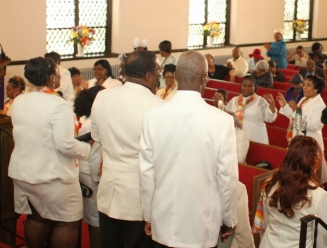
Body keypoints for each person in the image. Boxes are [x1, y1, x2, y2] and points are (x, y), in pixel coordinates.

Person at [140, 51, 238, 247]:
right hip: (202, 225)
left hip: (164, 221)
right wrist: (229, 219)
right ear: (205, 79)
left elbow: (146, 174)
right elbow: (227, 178)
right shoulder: (222, 121)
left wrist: (148, 215)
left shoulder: (152, 117)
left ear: (175, 77)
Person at [8, 57, 91, 247]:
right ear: (52, 78)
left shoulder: (19, 100)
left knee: (37, 217)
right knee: (67, 221)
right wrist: (87, 148)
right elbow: (65, 145)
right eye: (57, 71)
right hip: (51, 175)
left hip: (24, 171)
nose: (60, 74)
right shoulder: (58, 105)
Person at [91, 51, 163, 247]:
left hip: (109, 191)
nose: (160, 77)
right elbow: (161, 155)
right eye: (158, 71)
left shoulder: (102, 96)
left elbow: (96, 137)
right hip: (139, 197)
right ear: (148, 75)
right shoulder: (158, 107)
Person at [253, 136, 327, 248]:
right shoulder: (319, 195)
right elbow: (321, 240)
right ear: (313, 164)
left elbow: (265, 223)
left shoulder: (269, 183)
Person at [276, 75, 327, 183]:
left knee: (309, 175)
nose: (304, 87)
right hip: (299, 138)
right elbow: (295, 119)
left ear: (316, 89)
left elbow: (313, 125)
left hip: (310, 142)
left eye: (308, 85)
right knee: (296, 172)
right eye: (304, 84)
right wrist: (284, 105)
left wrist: (296, 113)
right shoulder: (304, 99)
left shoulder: (320, 105)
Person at [74, 86, 105, 248]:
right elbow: (90, 156)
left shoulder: (89, 119)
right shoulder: (91, 124)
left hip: (89, 172)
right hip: (91, 175)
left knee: (94, 217)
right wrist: (98, 178)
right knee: (95, 219)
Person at [226, 75, 277, 144]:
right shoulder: (234, 100)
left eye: (250, 86)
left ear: (254, 87)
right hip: (237, 136)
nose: (247, 88)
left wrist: (272, 103)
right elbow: (225, 115)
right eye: (244, 85)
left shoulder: (260, 101)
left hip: (255, 137)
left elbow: (270, 118)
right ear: (241, 86)